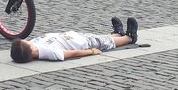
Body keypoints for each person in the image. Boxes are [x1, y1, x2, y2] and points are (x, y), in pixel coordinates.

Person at [10, 17, 138, 63]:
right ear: (31, 50)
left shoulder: (33, 45)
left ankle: (117, 34)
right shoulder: (49, 52)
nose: (27, 40)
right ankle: (128, 38)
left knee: (98, 37)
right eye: (25, 42)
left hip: (73, 37)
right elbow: (71, 54)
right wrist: (92, 52)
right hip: (81, 44)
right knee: (103, 43)